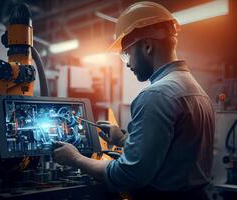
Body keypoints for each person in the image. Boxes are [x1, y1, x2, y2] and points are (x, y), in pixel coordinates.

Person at [53, 2, 214, 200]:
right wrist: (121, 139)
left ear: (147, 46)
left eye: (127, 53)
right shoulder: (196, 90)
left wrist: (76, 159)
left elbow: (128, 174)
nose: (128, 63)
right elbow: (171, 154)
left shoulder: (156, 95)